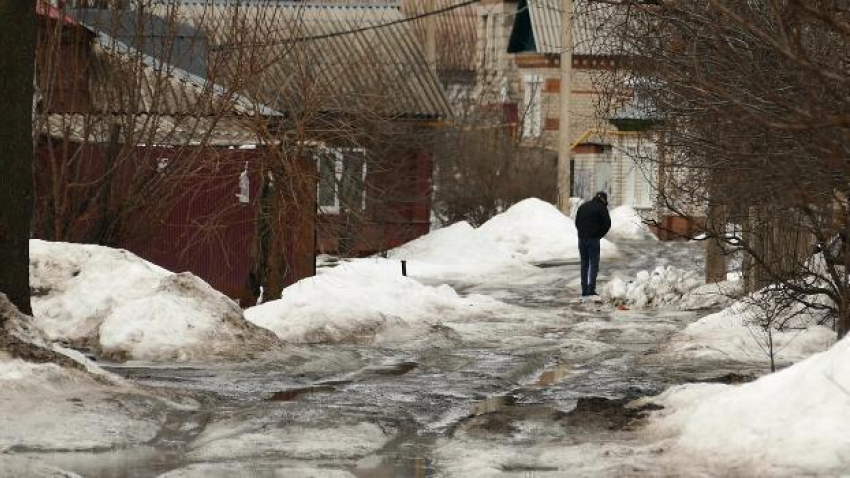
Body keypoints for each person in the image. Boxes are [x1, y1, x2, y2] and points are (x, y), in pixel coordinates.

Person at [575, 192, 611, 298]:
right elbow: (607, 224)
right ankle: (591, 289)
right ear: (604, 199)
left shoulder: (583, 206)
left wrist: (582, 233)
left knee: (584, 264)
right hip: (593, 240)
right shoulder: (601, 207)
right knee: (594, 264)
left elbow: (577, 222)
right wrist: (599, 235)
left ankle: (584, 290)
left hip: (582, 239)